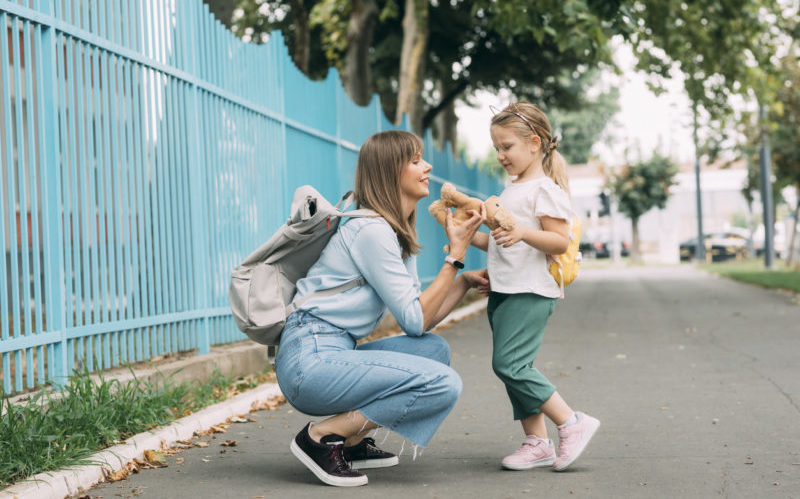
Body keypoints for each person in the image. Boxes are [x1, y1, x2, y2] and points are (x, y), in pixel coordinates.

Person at [275, 130, 488, 487]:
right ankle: (322, 436)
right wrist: (455, 255)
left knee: (433, 350)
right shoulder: (370, 231)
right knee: (443, 384)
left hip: (333, 351)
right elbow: (416, 317)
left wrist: (463, 282)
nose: (428, 166)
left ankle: (351, 441)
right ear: (391, 171)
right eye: (416, 160)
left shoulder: (392, 232)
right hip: (308, 361)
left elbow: (418, 324)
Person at [470, 102, 600, 472]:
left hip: (532, 291)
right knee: (517, 365)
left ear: (535, 143)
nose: (500, 155)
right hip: (506, 290)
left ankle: (571, 422)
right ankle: (537, 442)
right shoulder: (511, 190)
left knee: (509, 364)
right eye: (497, 147)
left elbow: (559, 241)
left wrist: (522, 231)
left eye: (507, 146)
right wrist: (467, 235)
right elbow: (503, 242)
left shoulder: (545, 190)